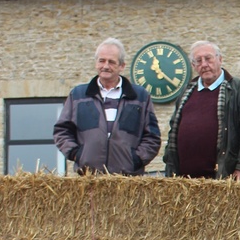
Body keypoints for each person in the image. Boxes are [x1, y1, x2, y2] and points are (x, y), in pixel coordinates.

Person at [53, 37, 160, 175]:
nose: (105, 66)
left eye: (111, 62)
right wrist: (76, 154)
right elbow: (62, 131)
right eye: (101, 61)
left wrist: (136, 159)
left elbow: (152, 137)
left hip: (127, 180)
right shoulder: (78, 95)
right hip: (88, 179)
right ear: (96, 63)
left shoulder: (140, 97)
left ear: (122, 66)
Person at [163, 40, 240, 180]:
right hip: (184, 182)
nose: (204, 64)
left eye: (208, 58)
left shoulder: (238, 89)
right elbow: (173, 130)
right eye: (198, 61)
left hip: (222, 178)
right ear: (193, 66)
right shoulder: (186, 92)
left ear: (220, 59)